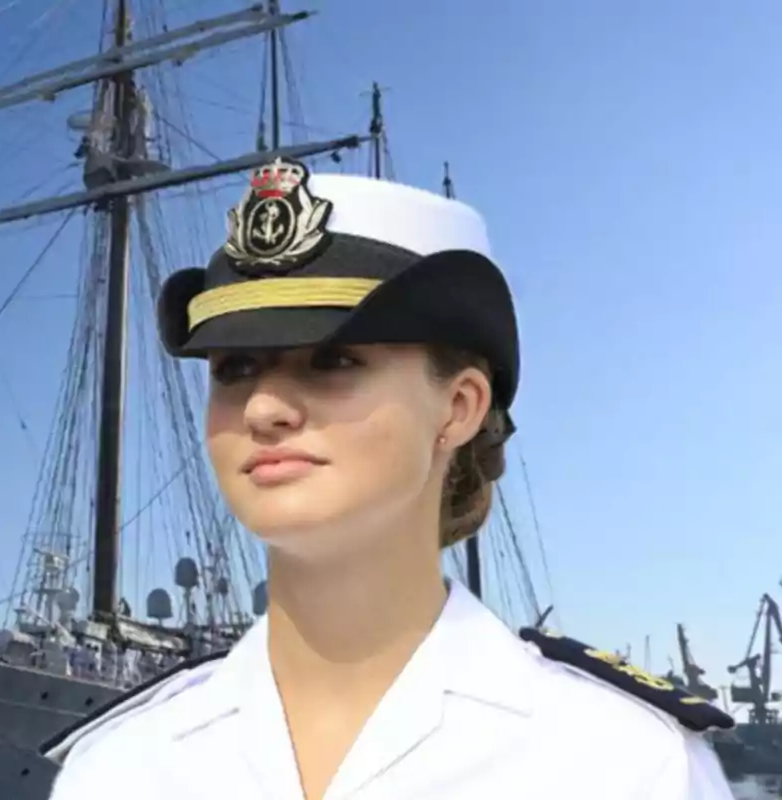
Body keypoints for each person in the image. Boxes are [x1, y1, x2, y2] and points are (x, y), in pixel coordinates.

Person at [41, 160, 735, 798]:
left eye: (334, 361)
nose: (262, 408)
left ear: (459, 406)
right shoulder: (119, 766)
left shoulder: (623, 764)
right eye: (233, 369)